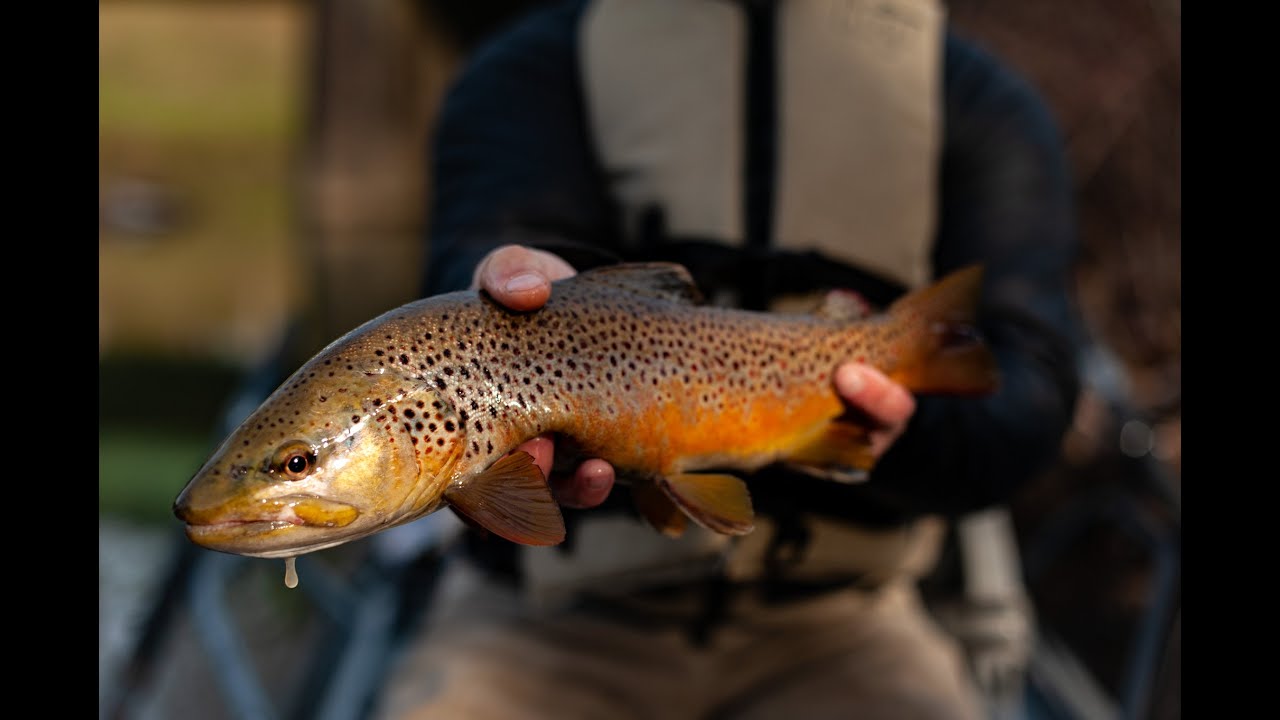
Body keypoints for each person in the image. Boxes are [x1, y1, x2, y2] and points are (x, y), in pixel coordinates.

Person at [375, 0, 1081, 718]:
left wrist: (898, 431)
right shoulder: (526, 72)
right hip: (540, 621)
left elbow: (1027, 402)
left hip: (843, 629)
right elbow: (478, 252)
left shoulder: (977, 100)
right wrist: (508, 282)